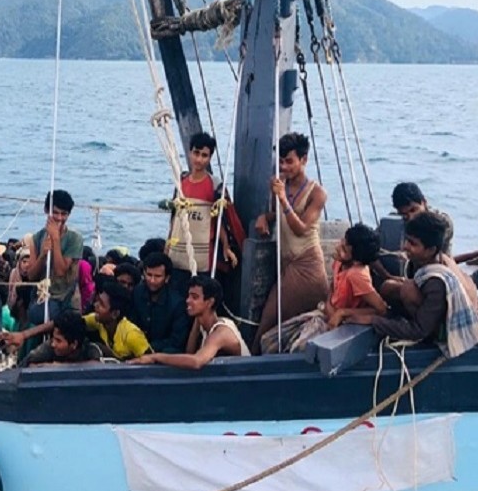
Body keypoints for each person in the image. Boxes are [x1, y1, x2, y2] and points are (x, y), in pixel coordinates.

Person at [346, 212, 478, 358]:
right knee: (389, 286)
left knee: (407, 289)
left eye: (413, 243)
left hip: (436, 331)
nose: (405, 246)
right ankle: (397, 318)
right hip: (427, 313)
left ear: (431, 250)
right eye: (407, 240)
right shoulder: (422, 262)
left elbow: (418, 330)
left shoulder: (436, 281)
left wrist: (373, 321)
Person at [252, 132, 329, 354]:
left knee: (268, 320)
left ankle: (252, 360)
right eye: (281, 162)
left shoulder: (317, 193)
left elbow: (301, 228)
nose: (284, 167)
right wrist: (265, 217)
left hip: (306, 266)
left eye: (289, 162)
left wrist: (282, 198)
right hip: (287, 265)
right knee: (279, 323)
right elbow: (281, 215)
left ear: (304, 160)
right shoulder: (281, 184)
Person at [260, 223, 388, 354]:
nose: (338, 248)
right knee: (269, 341)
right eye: (342, 242)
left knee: (300, 350)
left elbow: (381, 309)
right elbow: (332, 291)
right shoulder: (339, 263)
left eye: (344, 249)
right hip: (324, 314)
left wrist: (343, 313)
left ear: (356, 261)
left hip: (341, 324)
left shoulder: (356, 275)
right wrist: (329, 307)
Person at [1, 282, 150, 361]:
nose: (95, 306)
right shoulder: (98, 320)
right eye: (97, 302)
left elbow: (152, 363)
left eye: (102, 305)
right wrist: (24, 335)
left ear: (115, 313)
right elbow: (61, 323)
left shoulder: (131, 335)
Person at [166, 132, 237, 294]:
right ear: (190, 153)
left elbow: (220, 220)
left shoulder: (214, 185)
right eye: (196, 153)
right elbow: (174, 218)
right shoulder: (180, 182)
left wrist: (226, 247)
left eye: (204, 155)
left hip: (202, 257)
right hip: (177, 255)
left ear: (210, 157)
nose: (199, 159)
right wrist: (167, 246)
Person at [131, 275, 249, 369]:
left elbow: (196, 361)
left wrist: (155, 357)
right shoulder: (202, 322)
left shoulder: (221, 333)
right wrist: (197, 322)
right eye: (188, 296)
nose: (188, 301)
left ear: (210, 302)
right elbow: (190, 352)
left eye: (195, 297)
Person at [26, 190, 85, 323]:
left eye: (64, 214)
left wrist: (56, 239)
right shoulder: (37, 238)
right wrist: (42, 255)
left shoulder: (74, 239)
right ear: (47, 210)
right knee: (35, 313)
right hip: (43, 295)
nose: (59, 218)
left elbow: (60, 271)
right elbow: (31, 275)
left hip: (65, 297)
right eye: (56, 213)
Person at [129, 253, 189, 353]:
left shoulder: (177, 304)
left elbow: (177, 341)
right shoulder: (137, 293)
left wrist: (150, 348)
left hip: (163, 356)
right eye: (149, 275)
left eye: (157, 276)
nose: (152, 280)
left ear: (167, 278)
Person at [20, 310, 103, 367]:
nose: (53, 344)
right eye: (53, 339)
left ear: (74, 344)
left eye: (58, 341)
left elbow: (97, 365)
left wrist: (60, 367)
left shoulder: (90, 351)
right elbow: (27, 364)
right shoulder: (49, 348)